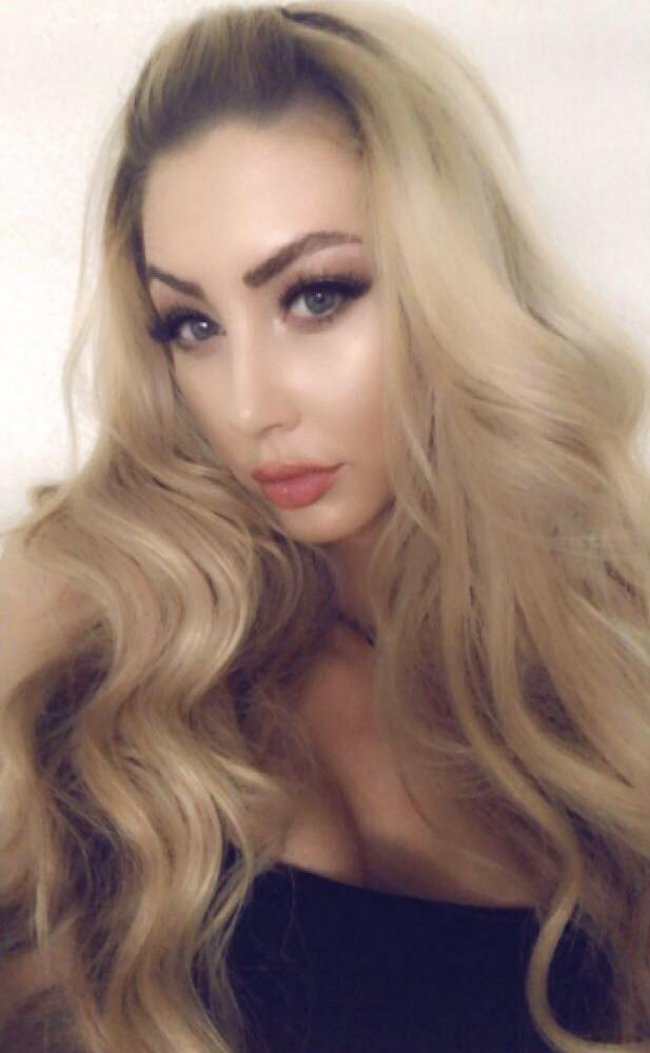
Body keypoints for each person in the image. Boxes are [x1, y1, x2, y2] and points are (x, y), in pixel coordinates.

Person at [1, 1, 649, 1050]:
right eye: (193, 325)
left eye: (315, 296)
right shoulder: (90, 635)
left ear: (451, 285)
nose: (250, 404)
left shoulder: (609, 658)